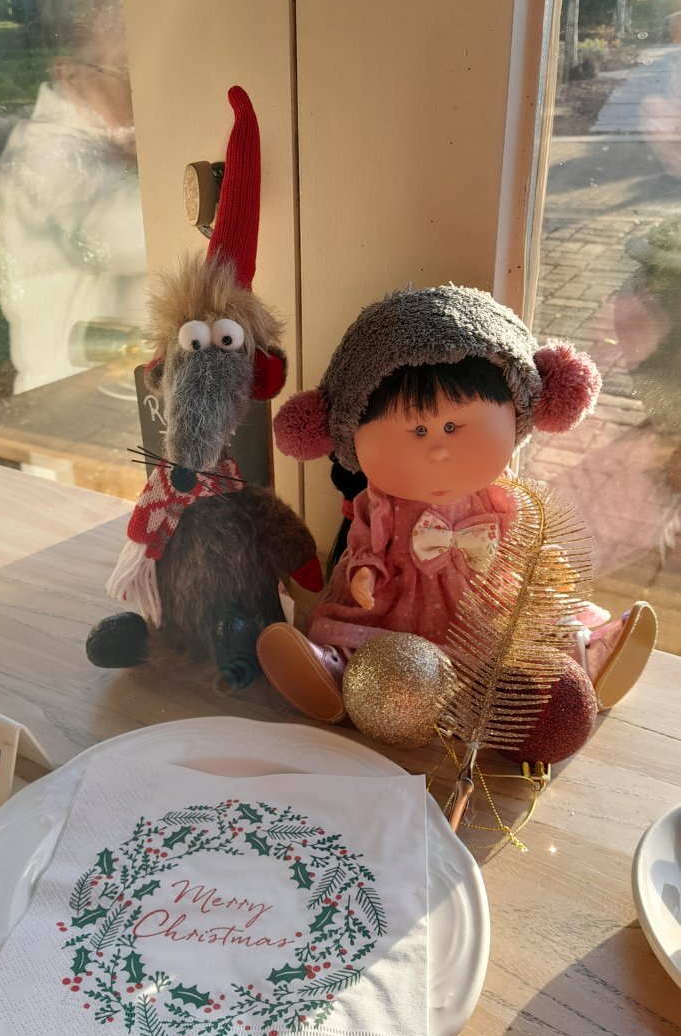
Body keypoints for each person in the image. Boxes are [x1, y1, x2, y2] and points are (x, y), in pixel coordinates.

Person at [257, 284, 658, 723]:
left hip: (488, 599)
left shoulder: (502, 491)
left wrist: (543, 561)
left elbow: (523, 534)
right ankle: (334, 673)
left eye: (452, 427)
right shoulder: (381, 500)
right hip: (400, 604)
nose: (437, 450)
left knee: (532, 633)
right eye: (418, 430)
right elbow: (367, 544)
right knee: (373, 649)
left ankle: (588, 658)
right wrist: (365, 574)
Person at [0, 0, 146, 394]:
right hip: (68, 403)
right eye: (126, 68)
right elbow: (131, 233)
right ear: (71, 76)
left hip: (117, 386)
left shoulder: (106, 141)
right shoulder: (44, 155)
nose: (140, 86)